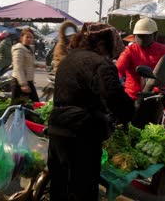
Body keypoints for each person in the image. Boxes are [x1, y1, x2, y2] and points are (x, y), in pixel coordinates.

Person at [47, 23, 134, 201]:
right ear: (102, 44)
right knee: (82, 192)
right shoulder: (100, 63)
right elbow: (114, 96)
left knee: (59, 189)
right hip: (80, 136)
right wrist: (130, 115)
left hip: (57, 131)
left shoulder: (68, 60)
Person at [116, 18, 165, 100]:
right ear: (134, 36)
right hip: (134, 97)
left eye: (146, 36)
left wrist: (159, 86)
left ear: (155, 35)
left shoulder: (163, 49)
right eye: (139, 36)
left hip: (158, 96)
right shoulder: (130, 50)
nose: (142, 39)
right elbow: (117, 70)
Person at [11, 28, 46, 104]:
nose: (29, 39)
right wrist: (23, 84)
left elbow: (28, 63)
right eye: (27, 37)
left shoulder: (29, 48)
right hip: (19, 82)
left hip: (28, 81)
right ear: (21, 37)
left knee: (29, 106)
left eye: (31, 37)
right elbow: (18, 68)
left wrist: (38, 65)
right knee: (18, 107)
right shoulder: (19, 49)